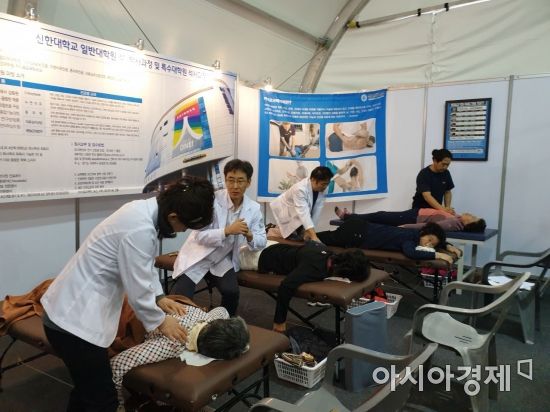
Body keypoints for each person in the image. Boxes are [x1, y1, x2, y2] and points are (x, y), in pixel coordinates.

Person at [40, 176, 215, 412]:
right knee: (102, 400)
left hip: (70, 311)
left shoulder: (144, 211)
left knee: (87, 390)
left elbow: (144, 264)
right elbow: (137, 288)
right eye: (184, 227)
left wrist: (160, 297)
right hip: (72, 321)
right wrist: (161, 321)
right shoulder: (139, 229)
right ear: (173, 216)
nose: (183, 231)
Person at [171, 159, 266, 316]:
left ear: (248, 182)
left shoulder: (254, 209)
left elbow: (261, 242)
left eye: (240, 181)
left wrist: (250, 235)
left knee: (232, 292)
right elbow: (199, 236)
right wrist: (227, 231)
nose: (235, 186)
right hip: (199, 254)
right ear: (225, 179)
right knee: (181, 297)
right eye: (231, 180)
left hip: (222, 258)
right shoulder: (212, 200)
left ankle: (225, 324)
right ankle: (180, 326)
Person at [111, 304, 249, 408]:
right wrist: (118, 404)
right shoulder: (173, 343)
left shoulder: (210, 318)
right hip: (126, 311)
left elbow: (223, 310)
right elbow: (116, 364)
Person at [239, 241, 371, 333]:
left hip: (273, 246)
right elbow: (286, 286)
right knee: (228, 259)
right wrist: (279, 321)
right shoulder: (314, 268)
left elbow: (310, 245)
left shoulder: (329, 253)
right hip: (257, 258)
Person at [317, 216, 461, 263]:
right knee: (323, 239)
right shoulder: (409, 238)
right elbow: (411, 252)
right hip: (356, 233)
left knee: (327, 237)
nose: (428, 244)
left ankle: (308, 234)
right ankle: (305, 236)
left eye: (432, 245)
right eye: (428, 240)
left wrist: (447, 246)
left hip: (359, 228)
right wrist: (438, 255)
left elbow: (434, 239)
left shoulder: (416, 234)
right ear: (423, 233)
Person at [269, 166, 334, 243]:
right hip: (286, 209)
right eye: (323, 184)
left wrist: (310, 233)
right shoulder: (300, 189)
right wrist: (313, 236)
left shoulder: (323, 188)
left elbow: (317, 209)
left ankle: (279, 229)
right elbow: (303, 213)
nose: (325, 187)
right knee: (287, 235)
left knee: (301, 237)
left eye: (327, 184)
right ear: (313, 179)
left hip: (298, 212)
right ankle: (270, 229)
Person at [335, 207, 487, 233]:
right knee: (380, 217)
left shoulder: (452, 223)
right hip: (414, 214)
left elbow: (428, 226)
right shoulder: (457, 219)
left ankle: (347, 217)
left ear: (468, 224)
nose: (471, 214)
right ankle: (352, 217)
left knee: (379, 216)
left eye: (473, 217)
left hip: (411, 219)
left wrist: (404, 227)